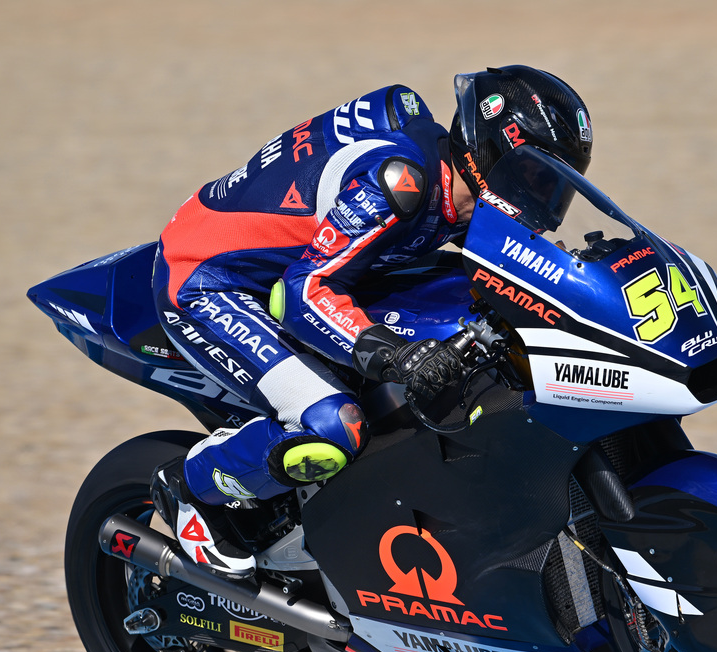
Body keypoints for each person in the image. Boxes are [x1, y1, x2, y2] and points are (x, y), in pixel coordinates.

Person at [149, 65, 594, 579]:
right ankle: (190, 485)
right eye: (538, 175)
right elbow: (303, 292)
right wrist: (396, 356)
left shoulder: (468, 196)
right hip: (211, 281)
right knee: (333, 425)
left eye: (559, 180)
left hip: (315, 270)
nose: (547, 193)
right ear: (492, 155)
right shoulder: (398, 183)